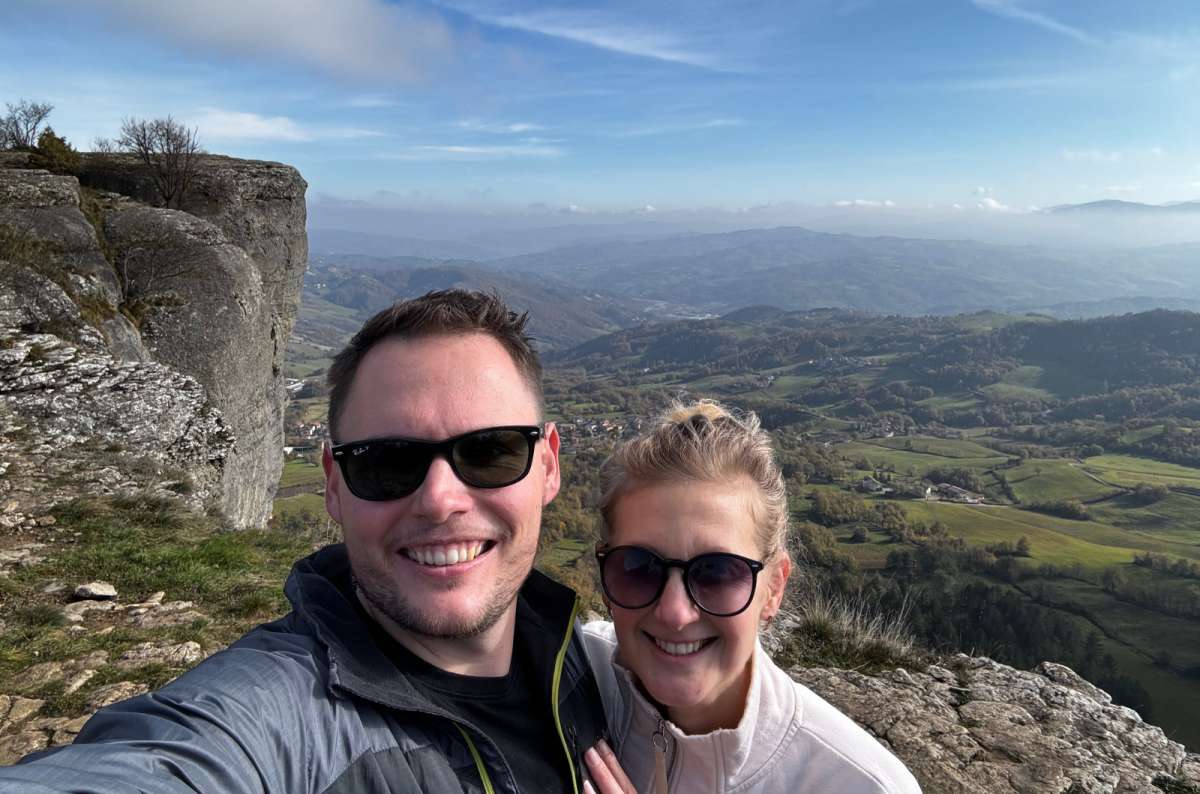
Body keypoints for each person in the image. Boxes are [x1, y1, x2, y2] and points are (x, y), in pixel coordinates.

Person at [0, 290, 607, 793]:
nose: (440, 499)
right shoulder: (271, 715)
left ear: (548, 466)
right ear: (334, 486)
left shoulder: (606, 667)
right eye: (387, 462)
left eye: (490, 451)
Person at [579, 400, 921, 794]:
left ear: (774, 588)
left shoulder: (859, 784)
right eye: (638, 568)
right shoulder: (569, 675)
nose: (674, 612)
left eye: (718, 573)